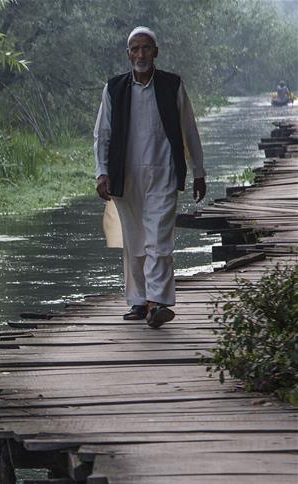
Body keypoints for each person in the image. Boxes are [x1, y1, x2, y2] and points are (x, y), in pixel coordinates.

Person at [93, 26, 207, 328]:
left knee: (158, 240)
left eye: (146, 48)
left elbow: (189, 130)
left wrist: (199, 172)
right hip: (125, 178)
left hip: (164, 174)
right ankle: (140, 301)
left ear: (156, 52)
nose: (141, 54)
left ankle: (159, 303)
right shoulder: (114, 88)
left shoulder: (172, 85)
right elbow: (102, 135)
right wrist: (101, 172)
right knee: (135, 242)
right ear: (128, 54)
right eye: (135, 49)